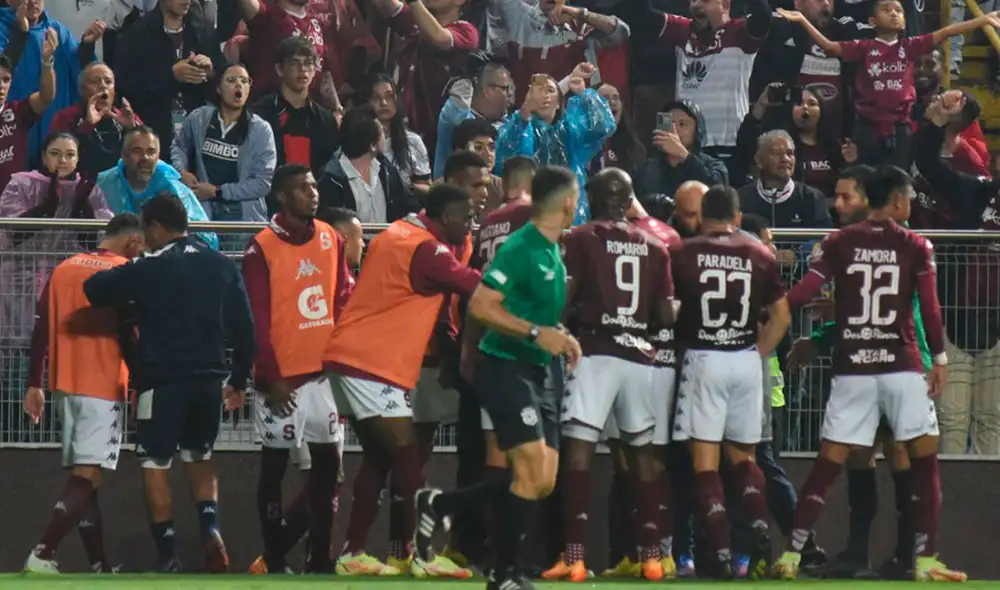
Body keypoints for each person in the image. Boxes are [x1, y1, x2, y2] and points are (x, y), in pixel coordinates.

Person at [771, 164, 960, 582]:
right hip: (902, 367)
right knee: (923, 461)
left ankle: (790, 556)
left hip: (854, 367)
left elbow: (803, 293)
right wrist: (941, 360)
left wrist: (773, 311)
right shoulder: (916, 245)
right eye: (909, 197)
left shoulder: (838, 242)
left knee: (828, 464)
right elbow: (929, 309)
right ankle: (926, 561)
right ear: (896, 200)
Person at [412, 166, 583, 590]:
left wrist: (557, 335)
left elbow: (534, 314)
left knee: (542, 479)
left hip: (540, 369)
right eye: (576, 197)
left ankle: (442, 503)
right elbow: (483, 306)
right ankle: (504, 574)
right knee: (528, 469)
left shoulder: (551, 250)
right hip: (505, 366)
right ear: (566, 202)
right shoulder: (521, 247)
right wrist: (532, 333)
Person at [82, 193, 255, 572]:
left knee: (155, 464)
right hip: (210, 379)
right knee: (200, 456)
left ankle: (168, 555)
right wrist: (239, 378)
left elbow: (94, 289)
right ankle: (211, 529)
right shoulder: (220, 264)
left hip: (161, 381)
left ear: (156, 228)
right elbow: (246, 329)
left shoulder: (148, 267)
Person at [325, 183, 480, 578]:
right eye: (466, 218)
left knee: (380, 457)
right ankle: (424, 558)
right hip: (371, 362)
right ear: (446, 217)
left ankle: (353, 552)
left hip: (355, 355)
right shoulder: (427, 249)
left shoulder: (397, 231)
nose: (470, 226)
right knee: (408, 458)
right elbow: (475, 287)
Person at [542, 168, 677, 582]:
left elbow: (563, 297)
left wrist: (556, 327)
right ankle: (652, 557)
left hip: (596, 352)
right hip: (640, 357)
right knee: (642, 456)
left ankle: (576, 557)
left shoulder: (582, 237)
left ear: (595, 199)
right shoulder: (656, 245)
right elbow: (667, 315)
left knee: (579, 450)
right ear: (630, 199)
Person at [669, 185, 791, 578]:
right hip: (745, 360)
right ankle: (757, 525)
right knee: (745, 459)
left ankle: (720, 552)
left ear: (703, 216)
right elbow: (782, 317)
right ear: (738, 217)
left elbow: (668, 307)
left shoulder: (684, 253)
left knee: (704, 462)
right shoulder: (760, 253)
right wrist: (758, 352)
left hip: (704, 356)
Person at [242, 164, 352, 574]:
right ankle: (273, 557)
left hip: (323, 376)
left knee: (329, 469)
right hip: (282, 381)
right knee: (274, 469)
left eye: (313, 185)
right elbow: (256, 316)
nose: (313, 193)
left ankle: (319, 559)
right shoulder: (261, 248)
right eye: (302, 188)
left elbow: (341, 297)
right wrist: (269, 376)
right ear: (282, 198)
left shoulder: (332, 237)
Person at [20, 213, 146, 574]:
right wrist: (140, 380)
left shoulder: (65, 267)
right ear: (134, 242)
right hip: (103, 384)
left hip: (64, 386)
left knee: (87, 476)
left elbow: (41, 326)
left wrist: (34, 383)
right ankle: (43, 553)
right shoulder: (123, 272)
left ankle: (99, 565)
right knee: (87, 475)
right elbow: (130, 333)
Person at [776, 2, 1000, 167]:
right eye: (887, 10)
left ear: (904, 20)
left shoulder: (911, 46)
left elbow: (948, 31)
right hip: (866, 127)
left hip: (900, 128)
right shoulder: (864, 47)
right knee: (864, 181)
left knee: (900, 183)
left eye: (899, 11)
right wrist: (803, 21)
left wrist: (984, 19)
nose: (894, 14)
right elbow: (829, 47)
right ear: (872, 21)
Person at [621, 0, 773, 170]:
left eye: (705, 0)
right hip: (683, 144)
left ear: (725, 5)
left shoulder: (740, 32)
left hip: (727, 143)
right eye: (693, 0)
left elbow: (763, 17)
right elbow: (639, 13)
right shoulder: (682, 30)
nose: (696, 4)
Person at [496, 63, 616, 225]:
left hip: (571, 215)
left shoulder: (569, 130)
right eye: (537, 91)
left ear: (559, 102)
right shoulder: (519, 125)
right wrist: (525, 112)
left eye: (550, 91)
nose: (544, 96)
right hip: (530, 218)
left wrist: (582, 93)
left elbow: (602, 126)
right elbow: (506, 156)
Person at [365, 0, 480, 155]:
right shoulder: (416, 22)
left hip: (437, 140)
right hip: (401, 130)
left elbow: (438, 37)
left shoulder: (467, 31)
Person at [114, 0, 223, 160]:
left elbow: (222, 82)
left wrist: (211, 71)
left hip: (196, 139)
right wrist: (171, 77)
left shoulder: (203, 30)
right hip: (152, 139)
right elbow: (125, 87)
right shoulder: (137, 33)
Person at [172, 63, 276, 222]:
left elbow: (262, 183)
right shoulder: (199, 118)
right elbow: (180, 146)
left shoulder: (261, 129)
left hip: (243, 218)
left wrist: (217, 191)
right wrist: (181, 171)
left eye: (244, 80)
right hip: (203, 211)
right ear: (219, 88)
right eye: (231, 80)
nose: (238, 85)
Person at [252, 37, 340, 214]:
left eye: (308, 63)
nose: (303, 70)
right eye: (294, 63)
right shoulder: (260, 114)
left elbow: (328, 170)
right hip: (269, 206)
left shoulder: (325, 119)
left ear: (315, 70)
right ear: (279, 69)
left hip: (314, 207)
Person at [0, 0, 92, 161]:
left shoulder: (57, 30)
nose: (33, 1)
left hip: (53, 127)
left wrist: (87, 47)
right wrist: (21, 34)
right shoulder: (2, 29)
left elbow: (82, 76)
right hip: (12, 129)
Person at [736, 84, 856, 198]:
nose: (805, 107)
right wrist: (761, 105)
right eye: (799, 103)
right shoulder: (781, 143)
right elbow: (747, 144)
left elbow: (846, 182)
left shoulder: (833, 145)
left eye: (812, 103)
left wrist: (850, 163)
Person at [317, 105, 418, 224]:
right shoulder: (331, 181)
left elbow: (401, 210)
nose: (384, 134)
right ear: (372, 145)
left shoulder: (387, 170)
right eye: (381, 131)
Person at [236, 0, 341, 110]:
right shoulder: (267, 15)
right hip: (272, 110)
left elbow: (325, 73)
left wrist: (337, 108)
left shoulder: (317, 22)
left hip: (310, 111)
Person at [48, 62, 142, 179]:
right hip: (80, 187)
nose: (103, 86)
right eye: (95, 81)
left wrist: (132, 128)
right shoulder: (65, 117)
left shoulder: (125, 116)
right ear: (82, 90)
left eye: (108, 82)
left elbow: (146, 154)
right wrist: (88, 125)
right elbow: (60, 161)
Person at [737, 130, 832, 229]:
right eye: (777, 153)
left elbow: (824, 240)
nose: (785, 159)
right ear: (758, 160)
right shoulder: (741, 198)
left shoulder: (812, 198)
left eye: (790, 153)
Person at [0, 27, 56, 192]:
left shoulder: (17, 111)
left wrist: (46, 61)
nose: (1, 86)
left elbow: (46, 97)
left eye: (5, 80)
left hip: (14, 205)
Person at [434, 61, 512, 179]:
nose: (510, 93)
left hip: (491, 193)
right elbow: (461, 121)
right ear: (487, 90)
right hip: (452, 193)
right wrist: (466, 84)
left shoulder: (508, 124)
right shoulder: (454, 114)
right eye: (505, 88)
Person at [639, 99, 729, 201]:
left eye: (682, 124)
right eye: (669, 123)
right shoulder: (648, 168)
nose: (675, 129)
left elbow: (719, 194)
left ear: (697, 130)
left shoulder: (713, 165)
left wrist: (684, 156)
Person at [366, 73, 431, 197]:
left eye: (389, 96)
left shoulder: (413, 141)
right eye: (376, 98)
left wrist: (407, 186)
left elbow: (427, 187)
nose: (383, 103)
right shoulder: (360, 141)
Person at [451, 119, 503, 214]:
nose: (488, 154)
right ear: (459, 152)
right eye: (478, 148)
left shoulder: (502, 187)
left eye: (492, 148)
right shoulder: (442, 188)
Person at [443, 150, 491, 217]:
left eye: (486, 186)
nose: (485, 193)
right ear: (452, 184)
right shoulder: (427, 225)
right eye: (476, 185)